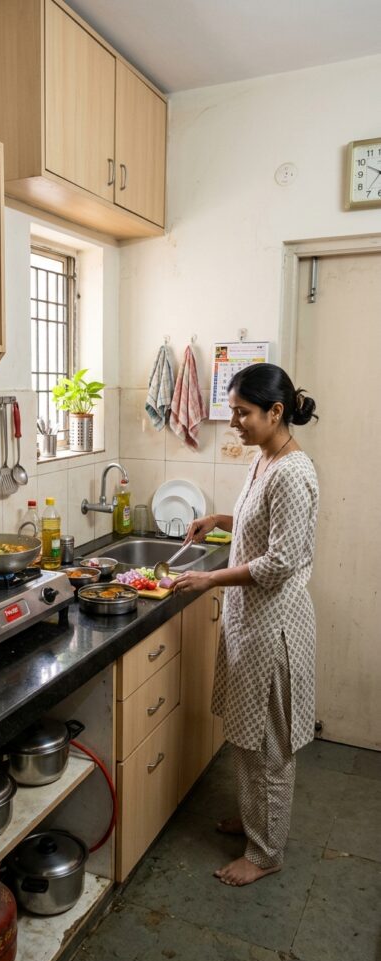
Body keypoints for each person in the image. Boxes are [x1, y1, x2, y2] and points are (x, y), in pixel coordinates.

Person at [173, 363, 319, 887]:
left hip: (274, 629)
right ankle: (257, 820)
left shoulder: (293, 472)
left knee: (271, 747)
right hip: (250, 625)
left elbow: (279, 561)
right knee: (248, 736)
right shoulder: (265, 460)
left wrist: (211, 582)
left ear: (275, 412)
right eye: (233, 410)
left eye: (242, 412)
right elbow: (264, 523)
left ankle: (266, 853)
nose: (234, 422)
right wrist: (219, 521)